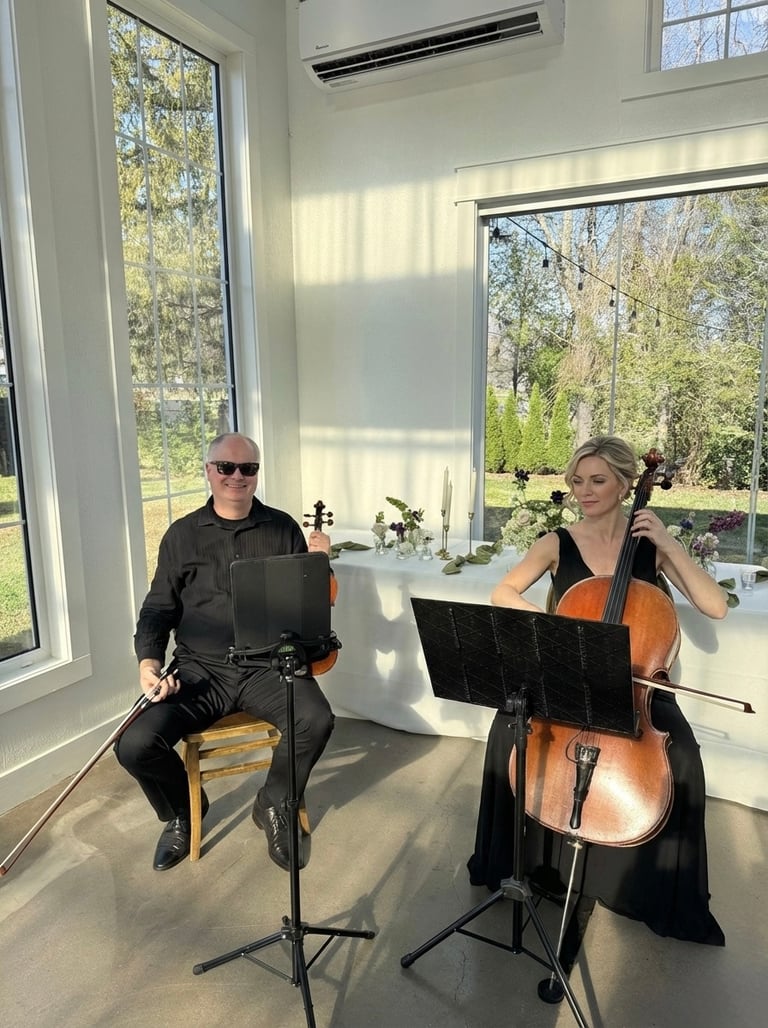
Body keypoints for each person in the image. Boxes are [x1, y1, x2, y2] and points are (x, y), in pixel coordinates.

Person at [467, 435, 727, 949]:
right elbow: (503, 591)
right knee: (507, 735)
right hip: (567, 676)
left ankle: (644, 887)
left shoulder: (650, 547)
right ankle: (531, 864)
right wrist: (552, 628)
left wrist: (670, 544)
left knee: (685, 762)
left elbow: (715, 606)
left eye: (598, 481)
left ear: (627, 484)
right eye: (577, 481)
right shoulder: (557, 541)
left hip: (636, 684)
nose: (584, 491)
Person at [115, 432, 335, 872]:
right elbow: (158, 609)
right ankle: (183, 810)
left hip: (266, 667)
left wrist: (319, 566)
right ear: (209, 471)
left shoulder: (282, 528)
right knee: (134, 744)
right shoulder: (181, 536)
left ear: (256, 474)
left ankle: (274, 802)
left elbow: (308, 604)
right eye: (226, 467)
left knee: (316, 719)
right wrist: (149, 664)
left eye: (248, 468)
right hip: (201, 671)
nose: (237, 476)